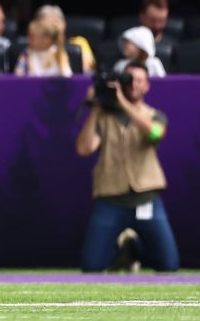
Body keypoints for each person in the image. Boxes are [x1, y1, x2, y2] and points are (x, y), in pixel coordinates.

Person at [76, 61, 179, 273]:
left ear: (147, 86)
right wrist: (95, 107)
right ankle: (120, 253)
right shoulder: (104, 116)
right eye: (129, 79)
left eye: (139, 80)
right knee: (91, 266)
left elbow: (154, 134)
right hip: (111, 198)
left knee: (169, 265)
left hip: (145, 197)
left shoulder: (154, 115)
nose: (134, 84)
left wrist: (122, 103)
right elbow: (85, 149)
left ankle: (134, 248)